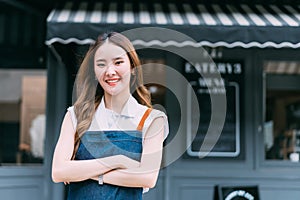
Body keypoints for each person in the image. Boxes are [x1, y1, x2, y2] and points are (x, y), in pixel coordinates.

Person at [51, 32, 169, 200]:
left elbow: (147, 178)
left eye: (118, 62)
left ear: (133, 68)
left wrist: (84, 172)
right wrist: (116, 161)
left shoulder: (152, 120)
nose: (110, 71)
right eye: (101, 64)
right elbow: (58, 172)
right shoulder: (75, 116)